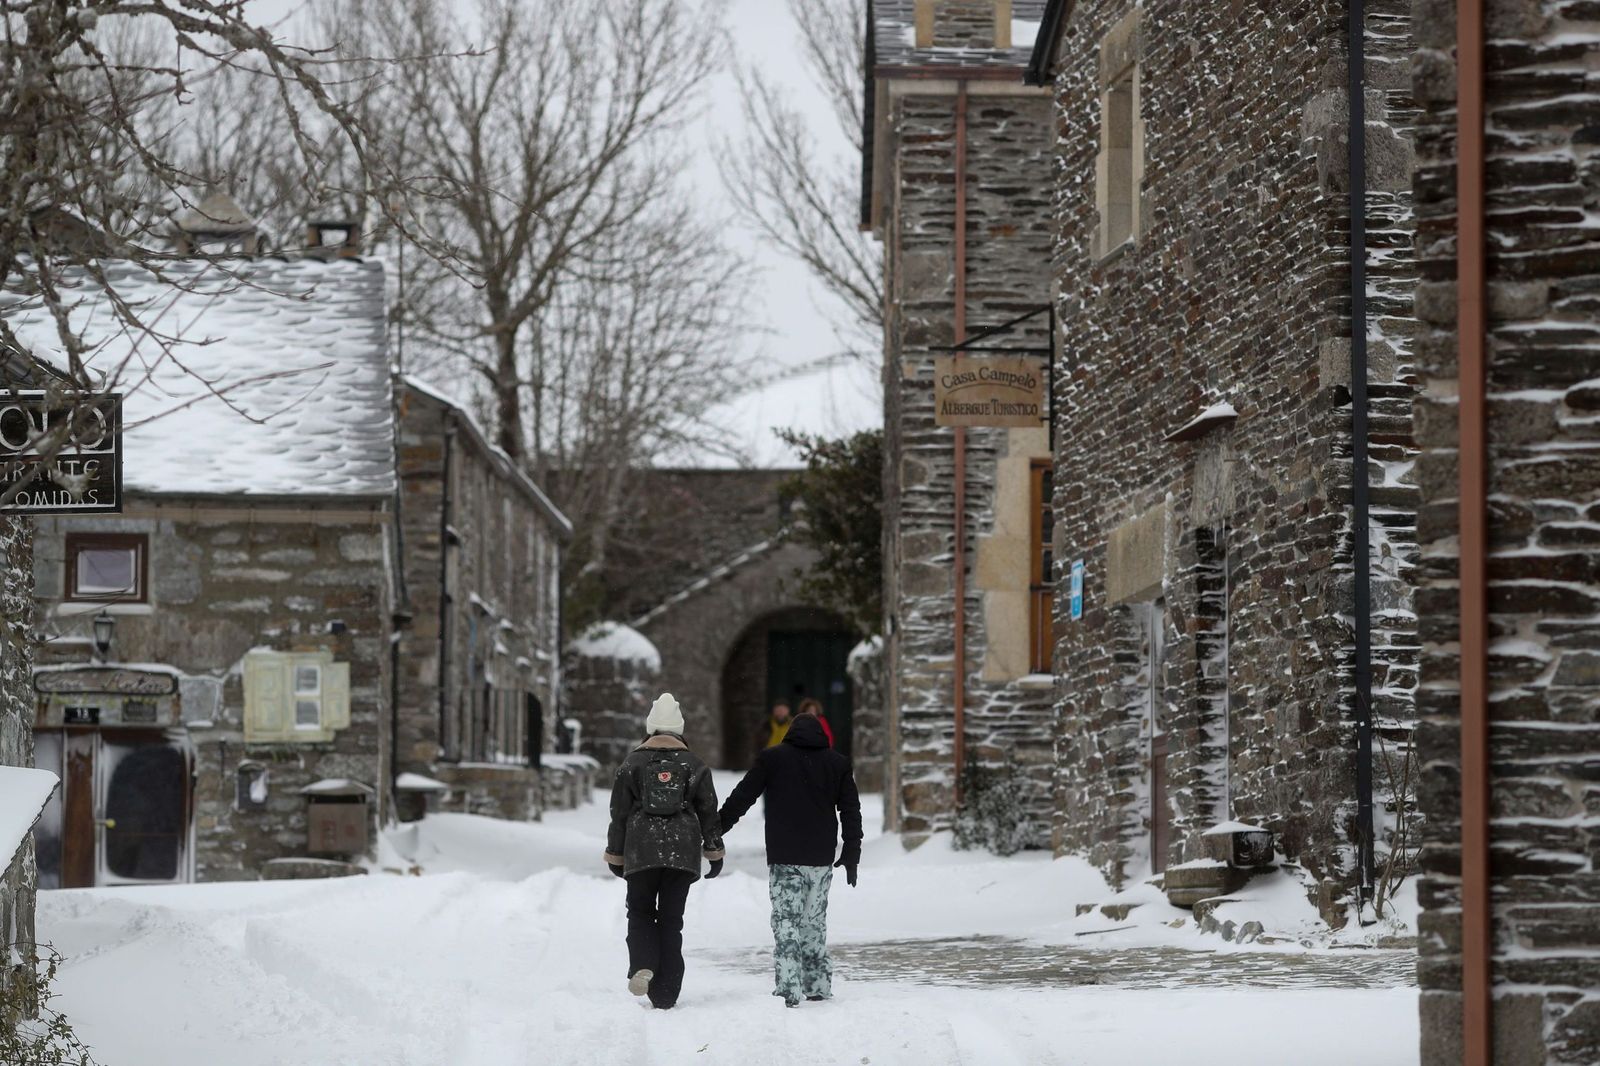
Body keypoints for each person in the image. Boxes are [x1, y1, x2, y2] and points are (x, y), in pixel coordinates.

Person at [718, 706, 862, 1008]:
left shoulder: (772, 758)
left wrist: (716, 829)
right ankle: (819, 986)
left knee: (786, 922)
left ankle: (788, 987)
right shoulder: (837, 763)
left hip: (785, 856)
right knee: (814, 923)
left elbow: (743, 796)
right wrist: (851, 852)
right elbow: (850, 811)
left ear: (791, 733)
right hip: (821, 858)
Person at [604, 692, 724, 1010]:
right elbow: (709, 811)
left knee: (641, 912)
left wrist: (616, 855)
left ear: (651, 728)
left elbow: (618, 813)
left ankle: (643, 963)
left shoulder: (632, 763)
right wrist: (714, 851)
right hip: (682, 853)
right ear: (679, 729)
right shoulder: (694, 765)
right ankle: (666, 992)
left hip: (641, 849)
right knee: (672, 921)